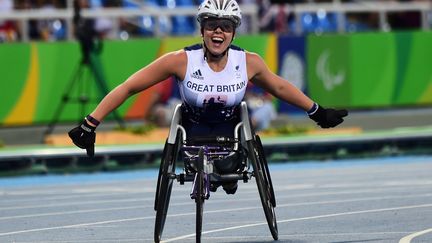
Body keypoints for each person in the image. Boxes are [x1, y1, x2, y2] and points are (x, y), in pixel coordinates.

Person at [68, 0, 348, 193]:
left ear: (234, 32)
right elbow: (129, 86)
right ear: (202, 30)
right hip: (192, 129)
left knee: (229, 166)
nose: (218, 31)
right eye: (212, 25)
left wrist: (317, 111)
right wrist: (90, 123)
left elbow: (281, 87)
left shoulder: (248, 61)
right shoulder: (180, 60)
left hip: (232, 130)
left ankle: (226, 175)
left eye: (225, 26)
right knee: (201, 161)